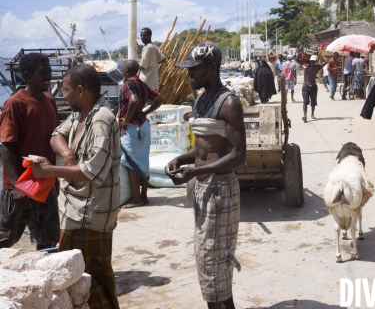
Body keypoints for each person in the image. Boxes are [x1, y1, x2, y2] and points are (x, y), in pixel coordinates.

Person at [31, 64, 121, 308]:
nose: (63, 95)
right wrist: (67, 153)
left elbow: (93, 171)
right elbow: (55, 135)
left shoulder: (101, 119)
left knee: (95, 279)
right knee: (80, 278)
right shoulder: (81, 114)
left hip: (91, 215)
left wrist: (50, 170)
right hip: (73, 211)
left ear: (80, 90)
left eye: (66, 90)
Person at [165, 43, 246, 309]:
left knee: (214, 257)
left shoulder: (229, 103)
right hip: (203, 188)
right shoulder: (201, 100)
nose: (190, 74)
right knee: (209, 256)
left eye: (195, 69)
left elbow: (238, 155)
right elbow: (201, 147)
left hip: (220, 189)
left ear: (212, 68)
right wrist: (181, 159)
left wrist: (198, 170)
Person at [0, 53, 60, 250]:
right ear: (27, 75)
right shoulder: (15, 104)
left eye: (49, 72)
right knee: (6, 238)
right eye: (42, 73)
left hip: (45, 183)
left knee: (48, 238)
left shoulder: (50, 100)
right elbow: (6, 145)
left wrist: (57, 174)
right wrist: (17, 185)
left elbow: (55, 138)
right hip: (20, 186)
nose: (48, 76)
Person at [118, 60, 165, 208]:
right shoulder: (143, 84)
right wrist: (144, 112)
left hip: (133, 128)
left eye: (121, 70)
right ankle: (144, 195)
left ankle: (136, 199)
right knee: (142, 162)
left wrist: (127, 119)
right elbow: (160, 99)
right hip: (143, 125)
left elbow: (133, 100)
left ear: (125, 71)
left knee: (131, 162)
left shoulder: (128, 85)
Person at [301, 55, 329, 123]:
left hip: (313, 86)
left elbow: (326, 61)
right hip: (306, 86)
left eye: (314, 61)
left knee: (313, 102)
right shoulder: (306, 66)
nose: (312, 63)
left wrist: (321, 55)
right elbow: (297, 59)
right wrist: (300, 51)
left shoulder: (317, 67)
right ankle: (305, 116)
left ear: (315, 62)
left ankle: (312, 114)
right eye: (311, 61)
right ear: (309, 61)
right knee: (305, 101)